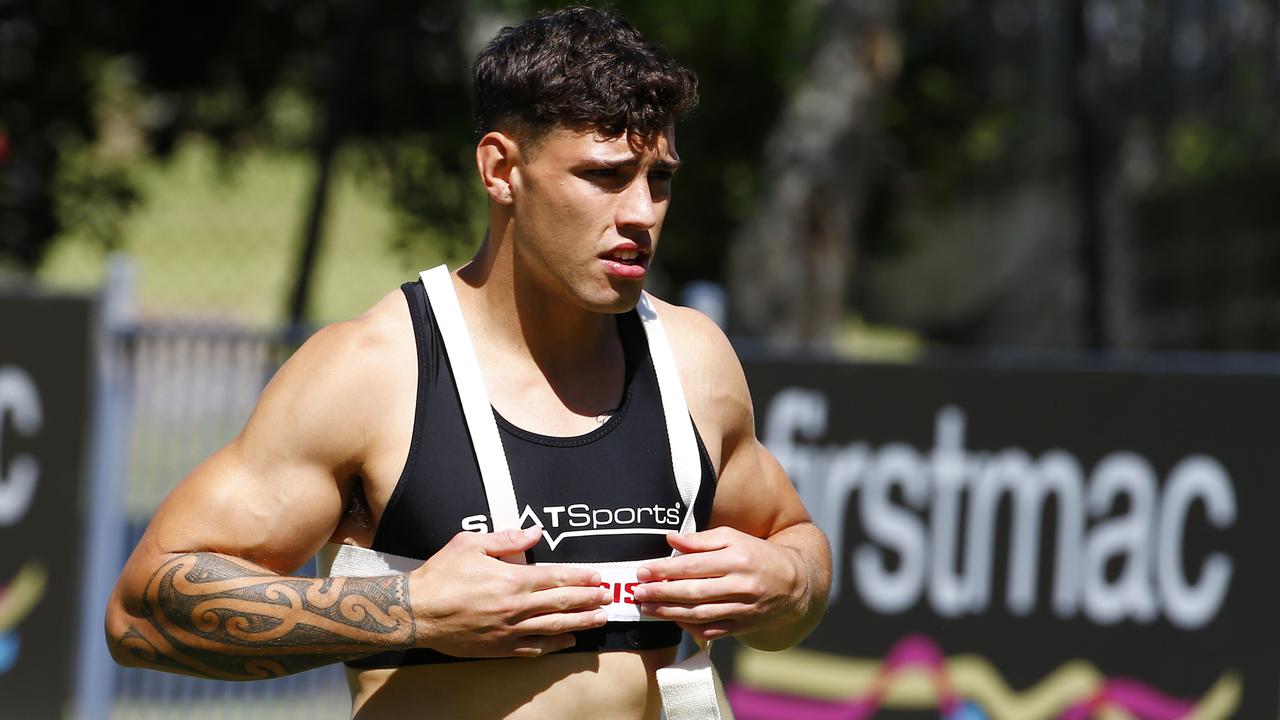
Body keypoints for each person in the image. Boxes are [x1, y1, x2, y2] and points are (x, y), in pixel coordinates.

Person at [105, 6, 831, 719]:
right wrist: (408, 611)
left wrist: (790, 581)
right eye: (605, 176)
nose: (641, 212)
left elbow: (795, 550)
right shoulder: (374, 371)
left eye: (660, 179)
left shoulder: (691, 360)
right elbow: (139, 617)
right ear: (500, 169)